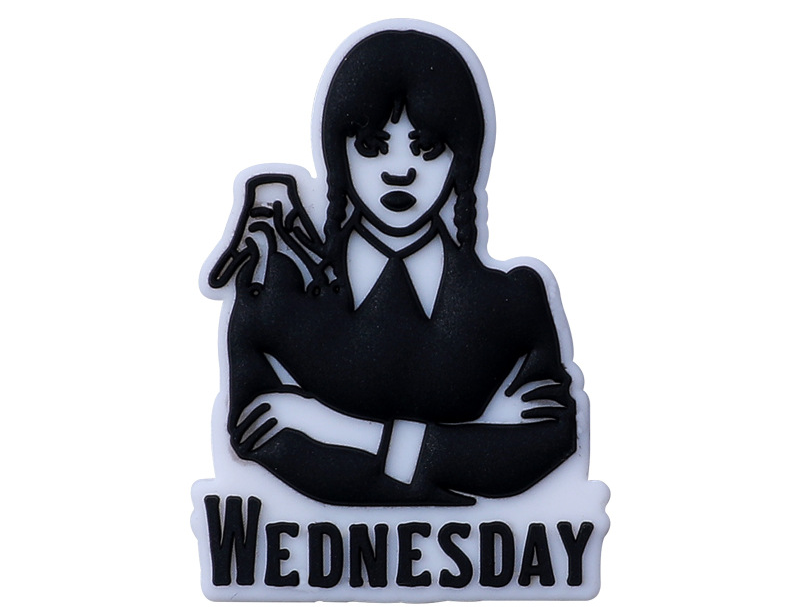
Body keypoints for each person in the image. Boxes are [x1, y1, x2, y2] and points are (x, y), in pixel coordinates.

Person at [207, 26, 577, 506]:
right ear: (336, 152)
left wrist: (333, 426)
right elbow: (257, 439)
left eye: (427, 148)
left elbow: (550, 444)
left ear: (463, 160)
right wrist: (463, 451)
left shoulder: (514, 301)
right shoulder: (273, 291)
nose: (400, 171)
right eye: (371, 145)